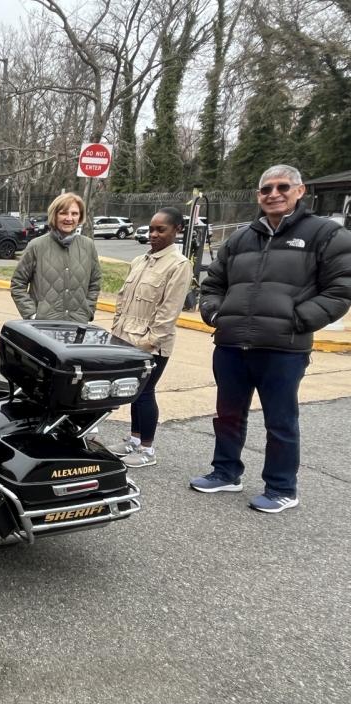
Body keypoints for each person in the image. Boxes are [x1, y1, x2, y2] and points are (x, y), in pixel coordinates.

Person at [190, 164, 351, 513]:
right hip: (232, 345)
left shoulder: (325, 234)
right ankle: (226, 472)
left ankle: (281, 488)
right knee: (227, 415)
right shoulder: (240, 238)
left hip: (283, 349)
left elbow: (340, 290)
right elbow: (212, 283)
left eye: (282, 187)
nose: (273, 194)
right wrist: (215, 312)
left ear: (299, 191)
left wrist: (297, 320)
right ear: (258, 195)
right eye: (266, 189)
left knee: (280, 421)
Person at [105, 207, 191, 468]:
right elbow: (122, 300)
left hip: (151, 345)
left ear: (177, 230)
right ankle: (133, 439)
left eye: (160, 230)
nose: (153, 234)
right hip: (124, 338)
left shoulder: (179, 265)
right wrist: (117, 332)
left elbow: (168, 312)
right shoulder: (140, 261)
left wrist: (147, 343)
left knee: (145, 393)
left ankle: (147, 449)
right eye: (151, 229)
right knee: (132, 393)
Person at [10, 192, 101, 322]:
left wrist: (88, 310)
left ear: (80, 217)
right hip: (43, 327)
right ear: (54, 215)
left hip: (78, 324)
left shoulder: (88, 246)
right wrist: (32, 315)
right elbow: (18, 283)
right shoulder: (36, 246)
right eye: (63, 213)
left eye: (74, 214)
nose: (69, 218)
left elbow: (95, 283)